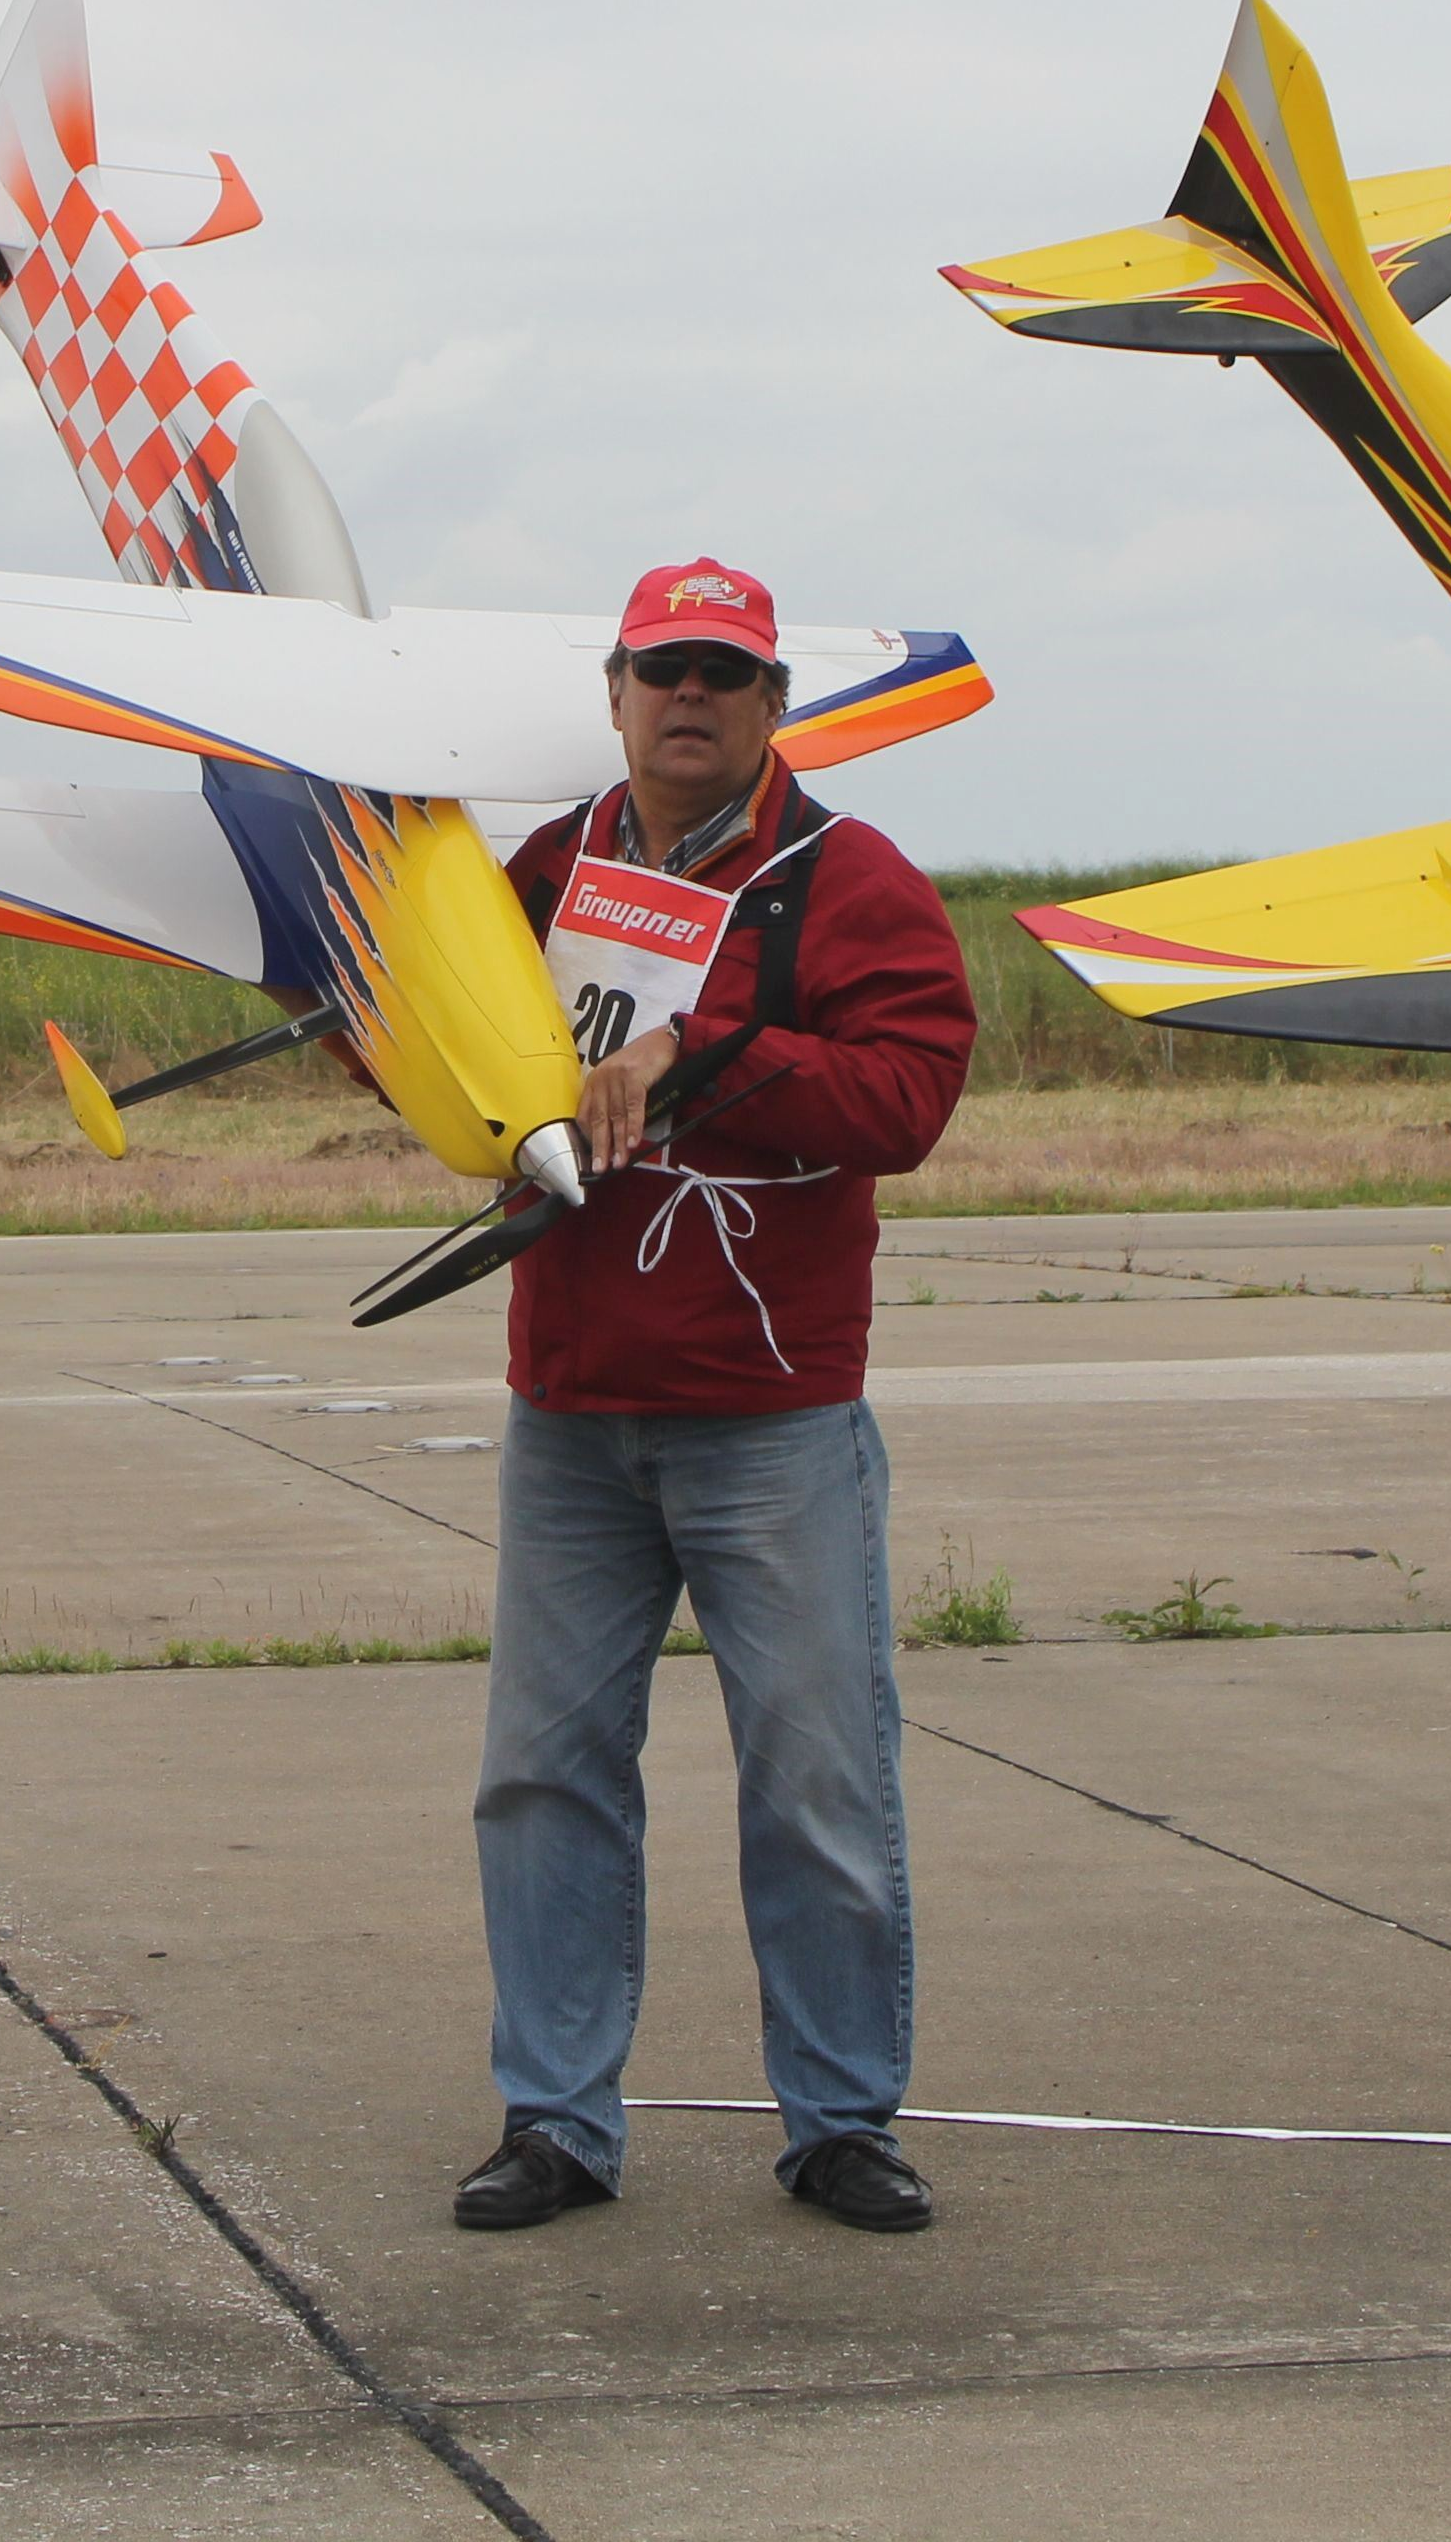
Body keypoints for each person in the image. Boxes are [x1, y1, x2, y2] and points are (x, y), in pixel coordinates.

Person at [452, 560, 979, 2238]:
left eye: (726, 673)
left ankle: (839, 2122)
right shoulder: (541, 872)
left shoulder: (856, 880)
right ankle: (555, 2121)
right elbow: (451, 1047)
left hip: (774, 1415)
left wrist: (704, 1050)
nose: (692, 696)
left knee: (819, 1773)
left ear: (774, 704)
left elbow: (906, 1095)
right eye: (663, 668)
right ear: (612, 689)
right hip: (573, 1407)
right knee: (542, 1773)